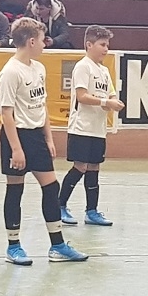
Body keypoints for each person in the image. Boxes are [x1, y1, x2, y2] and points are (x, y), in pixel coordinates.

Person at [0, 17, 87, 265]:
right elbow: (6, 114)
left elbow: (41, 105)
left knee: (50, 187)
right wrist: (16, 149)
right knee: (15, 188)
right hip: (17, 135)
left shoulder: (38, 68)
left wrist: (48, 138)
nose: (45, 44)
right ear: (31, 41)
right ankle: (13, 246)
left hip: (36, 135)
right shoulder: (10, 72)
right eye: (42, 40)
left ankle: (57, 246)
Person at [58, 25, 123, 227]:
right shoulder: (83, 67)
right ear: (89, 45)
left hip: (98, 128)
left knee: (94, 167)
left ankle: (92, 211)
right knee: (80, 166)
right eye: (102, 45)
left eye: (107, 45)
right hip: (81, 127)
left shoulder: (104, 71)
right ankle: (60, 205)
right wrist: (105, 102)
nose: (106, 49)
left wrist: (114, 102)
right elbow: (82, 96)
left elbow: (111, 94)